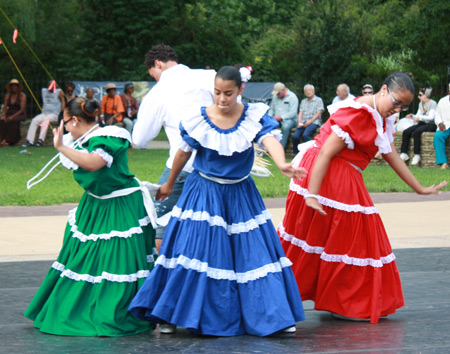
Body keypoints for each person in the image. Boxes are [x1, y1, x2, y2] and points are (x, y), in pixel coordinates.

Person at [129, 66, 306, 336]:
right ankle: (170, 313)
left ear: (240, 90)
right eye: (217, 93)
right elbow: (181, 153)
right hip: (203, 193)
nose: (222, 99)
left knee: (253, 253)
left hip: (240, 194)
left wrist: (282, 163)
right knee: (193, 251)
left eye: (228, 93)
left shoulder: (252, 116)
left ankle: (272, 316)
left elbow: (269, 138)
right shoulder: (200, 118)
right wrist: (168, 183)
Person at [278, 72, 446, 324]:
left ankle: (339, 300)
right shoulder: (360, 113)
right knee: (343, 235)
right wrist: (312, 194)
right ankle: (296, 296)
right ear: (382, 90)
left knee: (339, 238)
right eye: (396, 102)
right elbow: (325, 152)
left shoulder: (380, 115)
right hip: (327, 173)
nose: (398, 109)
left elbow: (391, 156)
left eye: (404, 106)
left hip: (342, 173)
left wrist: (419, 188)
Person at [24, 97, 157, 336]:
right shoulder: (81, 141)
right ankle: (80, 306)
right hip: (94, 206)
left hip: (120, 206)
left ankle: (117, 310)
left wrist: (61, 147)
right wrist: (65, 143)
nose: (63, 128)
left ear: (74, 120)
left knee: (119, 261)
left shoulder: (109, 136)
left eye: (65, 122)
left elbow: (96, 163)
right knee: (83, 257)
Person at [132, 44, 216, 253]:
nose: (155, 80)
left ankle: (165, 275)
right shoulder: (209, 76)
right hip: (219, 164)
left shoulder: (157, 92)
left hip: (183, 167)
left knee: (159, 223)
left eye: (153, 75)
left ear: (157, 64)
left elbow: (140, 140)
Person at [399, 87, 437, 165]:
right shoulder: (421, 104)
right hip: (422, 123)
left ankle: (417, 155)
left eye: (420, 95)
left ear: (426, 95)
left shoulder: (433, 103)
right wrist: (412, 116)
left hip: (430, 124)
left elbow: (431, 117)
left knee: (417, 132)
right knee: (406, 132)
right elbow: (418, 115)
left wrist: (419, 117)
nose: (418, 97)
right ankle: (404, 153)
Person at [22, 82, 65, 147]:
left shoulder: (59, 92)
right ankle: (30, 141)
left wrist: (62, 109)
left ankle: (40, 140)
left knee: (46, 120)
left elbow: (62, 101)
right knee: (34, 120)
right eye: (49, 85)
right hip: (44, 113)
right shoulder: (44, 91)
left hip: (54, 114)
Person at [292, 84, 324, 154]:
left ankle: (313, 152)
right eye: (306, 91)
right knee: (295, 136)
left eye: (310, 90)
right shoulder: (303, 101)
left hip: (314, 122)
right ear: (304, 92)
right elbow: (300, 112)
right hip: (303, 122)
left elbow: (319, 112)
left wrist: (310, 121)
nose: (308, 92)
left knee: (305, 135)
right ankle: (296, 154)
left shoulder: (318, 100)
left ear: (314, 91)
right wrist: (299, 122)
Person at [268, 82, 299, 148]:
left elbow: (293, 113)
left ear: (284, 90)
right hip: (277, 119)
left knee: (285, 126)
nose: (277, 95)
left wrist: (281, 117)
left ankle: (281, 148)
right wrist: (269, 117)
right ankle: (269, 147)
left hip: (290, 120)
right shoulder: (275, 96)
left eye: (278, 93)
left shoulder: (292, 97)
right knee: (269, 125)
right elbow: (272, 109)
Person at [0, 79, 27, 146]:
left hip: (19, 114)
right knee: (2, 121)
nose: (14, 87)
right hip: (9, 113)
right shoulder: (8, 96)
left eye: (15, 86)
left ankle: (8, 141)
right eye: (12, 86)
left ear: (18, 87)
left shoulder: (22, 96)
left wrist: (12, 116)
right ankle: (1, 139)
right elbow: (5, 108)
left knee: (14, 121)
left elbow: (22, 109)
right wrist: (3, 115)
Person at [433, 84, 450, 169]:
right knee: (438, 136)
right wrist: (440, 123)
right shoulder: (442, 101)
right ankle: (443, 163)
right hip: (445, 125)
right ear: (448, 91)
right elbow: (437, 114)